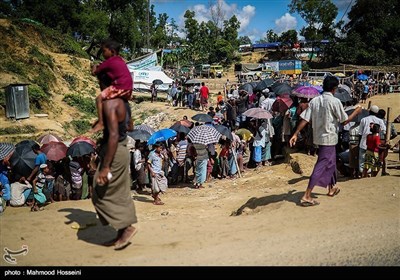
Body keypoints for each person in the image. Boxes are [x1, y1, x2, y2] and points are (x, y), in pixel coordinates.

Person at [289, 76, 362, 207]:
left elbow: (305, 119)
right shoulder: (335, 102)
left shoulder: (315, 101)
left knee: (331, 163)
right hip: (329, 138)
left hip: (320, 138)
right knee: (321, 165)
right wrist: (356, 112)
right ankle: (307, 194)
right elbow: (344, 121)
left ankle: (331, 187)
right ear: (334, 89)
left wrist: (295, 133)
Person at [92, 96, 137, 250]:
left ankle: (127, 227)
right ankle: (121, 230)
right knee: (115, 192)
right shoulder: (125, 104)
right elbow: (130, 126)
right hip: (117, 150)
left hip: (114, 152)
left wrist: (105, 167)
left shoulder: (112, 103)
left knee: (103, 191)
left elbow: (114, 135)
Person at [90, 39, 133, 133]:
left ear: (112, 51)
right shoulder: (121, 60)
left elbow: (95, 72)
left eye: (104, 51)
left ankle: (101, 123)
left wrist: (94, 67)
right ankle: (130, 123)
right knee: (125, 102)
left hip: (120, 86)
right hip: (129, 87)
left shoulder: (108, 62)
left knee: (99, 99)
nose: (102, 54)